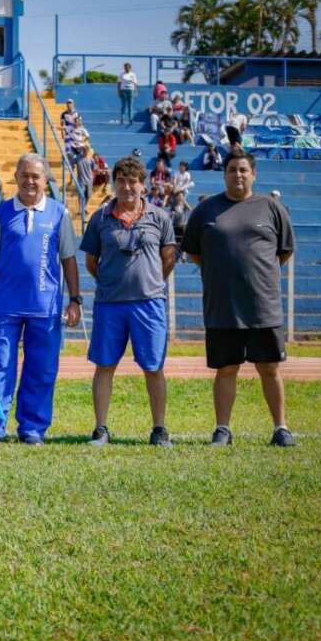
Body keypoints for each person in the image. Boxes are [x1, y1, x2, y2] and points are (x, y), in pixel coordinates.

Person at [180, 148, 297, 447]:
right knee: (226, 369)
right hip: (223, 308)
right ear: (225, 174)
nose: (238, 175)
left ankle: (281, 428)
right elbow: (193, 251)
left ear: (254, 174)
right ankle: (223, 429)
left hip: (263, 307)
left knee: (269, 368)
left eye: (244, 170)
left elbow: (283, 252)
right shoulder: (206, 211)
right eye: (232, 170)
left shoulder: (272, 209)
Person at [0, 153, 82, 445]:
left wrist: (75, 299)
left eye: (36, 176)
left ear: (45, 180)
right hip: (6, 307)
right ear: (16, 177)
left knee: (42, 368)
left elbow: (69, 259)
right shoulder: (0, 214)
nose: (30, 181)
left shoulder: (59, 214)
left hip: (46, 308)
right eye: (25, 175)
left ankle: (33, 428)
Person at [80, 156, 177, 446]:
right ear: (114, 183)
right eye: (121, 180)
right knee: (105, 365)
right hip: (110, 303)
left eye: (133, 181)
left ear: (142, 185)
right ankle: (101, 428)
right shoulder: (99, 218)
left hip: (149, 303)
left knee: (153, 366)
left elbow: (168, 258)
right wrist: (113, 281)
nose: (127, 186)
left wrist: (148, 280)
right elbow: (91, 261)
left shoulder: (160, 217)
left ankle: (159, 429)